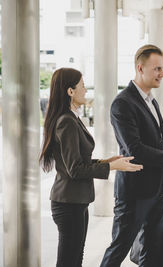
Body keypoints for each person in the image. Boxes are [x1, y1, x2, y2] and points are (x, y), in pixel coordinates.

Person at [100, 44, 163, 267]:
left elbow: (156, 144)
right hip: (135, 192)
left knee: (153, 249)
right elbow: (135, 149)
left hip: (157, 190)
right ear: (140, 68)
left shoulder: (151, 100)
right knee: (120, 247)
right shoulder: (123, 103)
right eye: (157, 69)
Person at [39, 68, 143, 267]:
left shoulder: (71, 118)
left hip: (75, 202)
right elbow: (75, 170)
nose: (86, 90)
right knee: (69, 260)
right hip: (69, 203)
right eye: (83, 86)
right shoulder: (67, 122)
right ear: (70, 91)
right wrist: (111, 167)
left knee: (75, 257)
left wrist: (106, 162)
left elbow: (77, 162)